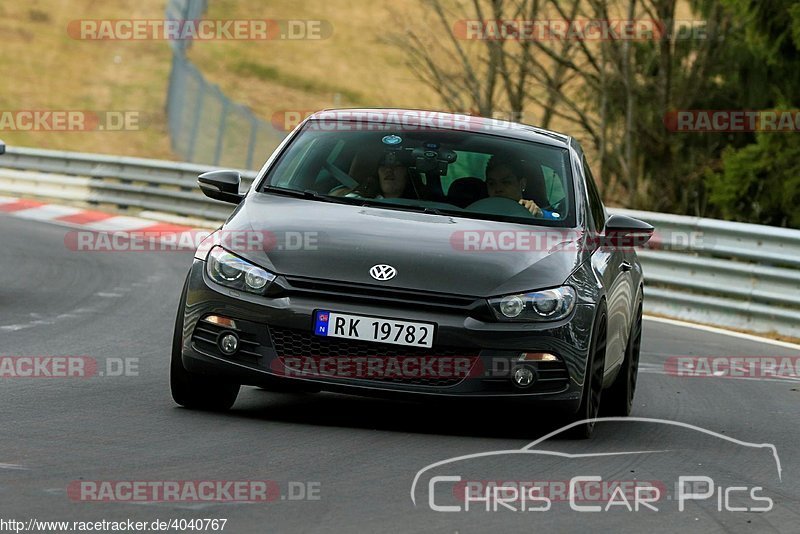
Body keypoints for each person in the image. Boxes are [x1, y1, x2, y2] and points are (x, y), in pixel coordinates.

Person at [485, 156, 556, 218]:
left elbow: (558, 219)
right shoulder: (477, 214)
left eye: (506, 182)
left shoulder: (531, 212)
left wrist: (541, 214)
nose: (498, 189)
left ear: (522, 184)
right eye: (492, 183)